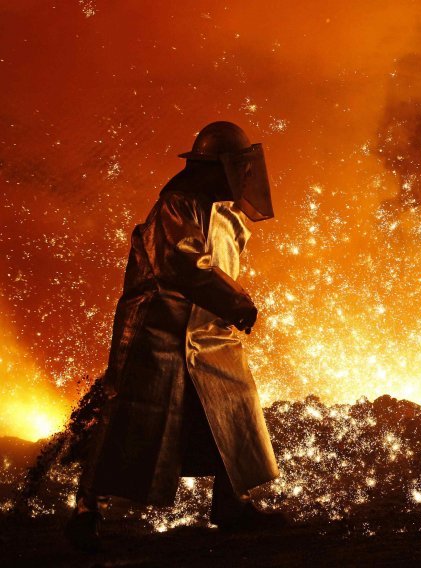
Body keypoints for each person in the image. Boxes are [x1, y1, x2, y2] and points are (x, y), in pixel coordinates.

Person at [65, 121, 283, 552]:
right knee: (131, 420)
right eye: (237, 166)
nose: (245, 175)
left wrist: (226, 308)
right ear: (216, 167)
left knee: (232, 405)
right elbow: (182, 264)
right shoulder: (178, 205)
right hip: (158, 329)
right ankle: (87, 510)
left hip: (208, 331)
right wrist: (236, 302)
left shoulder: (228, 215)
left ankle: (230, 504)